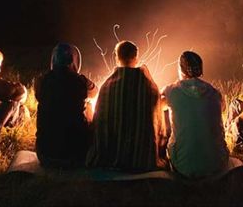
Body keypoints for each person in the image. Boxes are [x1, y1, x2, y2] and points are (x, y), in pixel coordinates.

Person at [86, 40, 164, 172]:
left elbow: (99, 120)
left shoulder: (108, 85)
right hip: (141, 155)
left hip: (112, 153)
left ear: (117, 58)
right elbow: (157, 118)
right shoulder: (148, 84)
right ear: (136, 58)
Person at [161, 51, 229, 178]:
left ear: (180, 69)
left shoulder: (171, 91)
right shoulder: (215, 92)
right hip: (217, 162)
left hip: (183, 165)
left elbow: (156, 106)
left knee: (165, 113)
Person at [35, 43, 97, 168]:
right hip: (76, 155)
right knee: (89, 105)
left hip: (45, 154)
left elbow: (39, 97)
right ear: (74, 60)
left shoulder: (42, 80)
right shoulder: (80, 81)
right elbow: (95, 92)